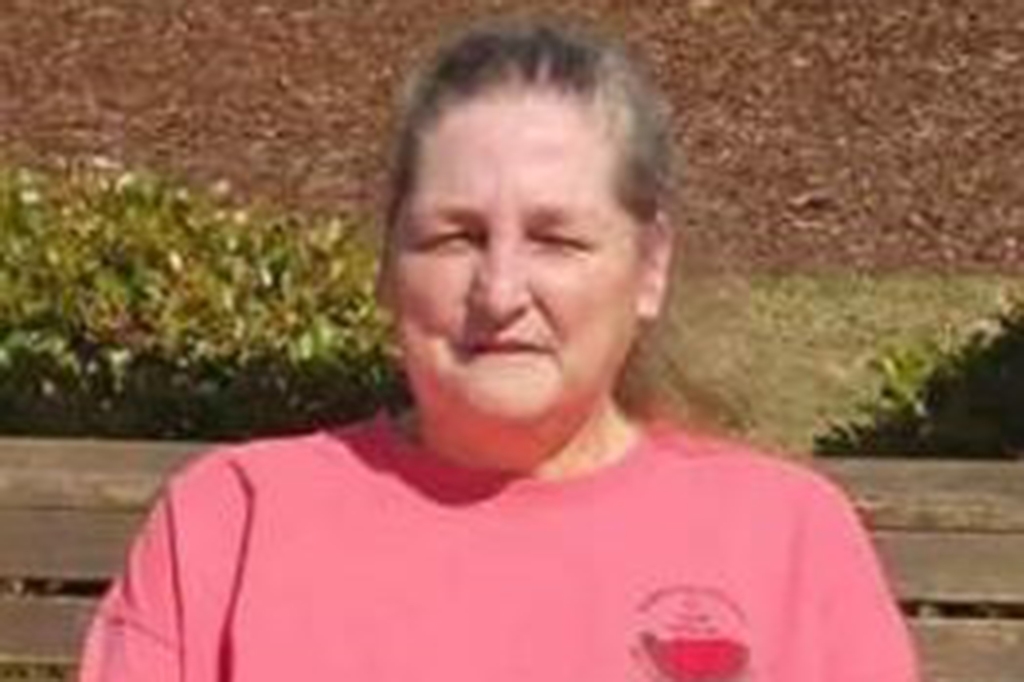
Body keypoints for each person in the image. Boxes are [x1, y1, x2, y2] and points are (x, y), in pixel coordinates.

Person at [79, 19, 919, 682]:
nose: (501, 289)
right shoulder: (233, 523)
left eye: (557, 239)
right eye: (455, 237)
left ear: (650, 267)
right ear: (388, 263)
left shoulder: (785, 539)